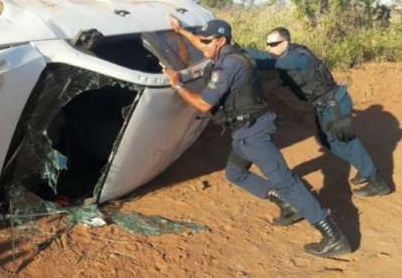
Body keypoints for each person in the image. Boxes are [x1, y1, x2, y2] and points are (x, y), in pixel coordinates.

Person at [164, 17, 350, 257]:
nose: (203, 46)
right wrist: (181, 30)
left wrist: (177, 85)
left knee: (287, 182)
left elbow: (202, 104)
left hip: (253, 136)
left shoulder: (228, 66)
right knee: (235, 173)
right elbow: (202, 45)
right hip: (246, 132)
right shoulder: (231, 52)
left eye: (207, 41)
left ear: (220, 41)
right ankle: (287, 205)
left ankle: (333, 236)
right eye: (203, 40)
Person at [244, 27, 391, 198]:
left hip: (334, 104)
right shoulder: (285, 54)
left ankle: (376, 180)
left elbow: (270, 63)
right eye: (267, 44)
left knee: (346, 141)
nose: (269, 48)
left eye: (273, 44)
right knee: (328, 142)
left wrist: (246, 60)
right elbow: (266, 56)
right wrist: (241, 50)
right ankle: (365, 169)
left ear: (286, 42)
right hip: (325, 106)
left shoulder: (299, 57)